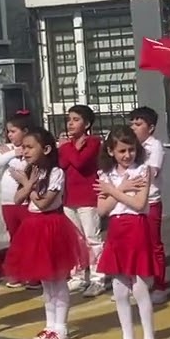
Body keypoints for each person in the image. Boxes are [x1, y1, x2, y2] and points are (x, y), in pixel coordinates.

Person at [2, 127, 87, 339]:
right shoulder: (30, 171)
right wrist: (28, 184)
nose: (25, 151)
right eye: (24, 147)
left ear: (46, 149)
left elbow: (43, 202)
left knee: (57, 279)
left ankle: (61, 327)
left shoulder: (56, 172)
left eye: (30, 147)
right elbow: (18, 198)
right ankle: (50, 325)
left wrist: (28, 185)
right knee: (45, 282)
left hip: (51, 226)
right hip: (34, 226)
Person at [95, 126, 158, 339]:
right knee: (119, 288)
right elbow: (101, 209)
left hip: (136, 227)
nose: (127, 155)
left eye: (131, 149)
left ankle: (149, 338)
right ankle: (128, 338)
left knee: (140, 286)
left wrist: (112, 191)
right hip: (116, 229)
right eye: (122, 150)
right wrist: (120, 188)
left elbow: (140, 204)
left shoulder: (143, 170)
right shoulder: (106, 175)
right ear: (111, 151)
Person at [58, 104, 104, 297]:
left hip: (87, 197)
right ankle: (78, 276)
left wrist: (66, 148)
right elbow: (61, 163)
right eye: (69, 119)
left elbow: (79, 162)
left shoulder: (93, 142)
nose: (70, 123)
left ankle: (97, 278)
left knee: (92, 239)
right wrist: (68, 149)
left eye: (76, 120)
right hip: (69, 197)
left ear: (87, 123)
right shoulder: (68, 145)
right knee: (75, 240)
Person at [128, 106, 168, 304]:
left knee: (154, 245)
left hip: (150, 202)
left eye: (138, 124)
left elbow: (151, 174)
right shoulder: (130, 147)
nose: (133, 128)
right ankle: (137, 283)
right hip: (131, 203)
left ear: (150, 128)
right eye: (132, 124)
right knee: (135, 245)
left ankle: (160, 286)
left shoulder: (154, 146)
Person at [0, 111, 34, 289]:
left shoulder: (32, 148)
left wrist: (21, 152)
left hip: (25, 202)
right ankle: (17, 272)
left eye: (13, 131)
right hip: (8, 203)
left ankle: (33, 274)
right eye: (8, 132)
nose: (10, 135)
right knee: (14, 238)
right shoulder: (10, 149)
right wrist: (14, 152)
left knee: (29, 239)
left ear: (25, 131)